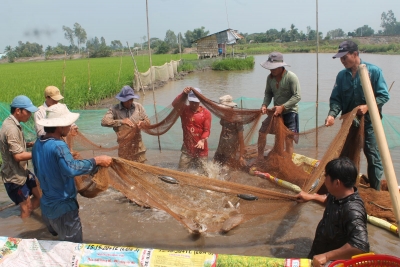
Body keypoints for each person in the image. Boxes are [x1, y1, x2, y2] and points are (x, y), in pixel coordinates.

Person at [32, 103, 112, 242]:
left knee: (58, 247)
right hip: (63, 209)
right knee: (73, 249)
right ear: (60, 126)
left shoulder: (38, 144)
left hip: (47, 207)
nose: (70, 127)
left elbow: (47, 168)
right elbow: (71, 169)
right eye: (68, 124)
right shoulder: (59, 145)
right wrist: (96, 161)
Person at [325, 41, 390, 191]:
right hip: (349, 124)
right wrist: (332, 115)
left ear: (355, 54)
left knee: (373, 157)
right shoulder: (342, 76)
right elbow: (336, 99)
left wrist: (369, 106)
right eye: (340, 58)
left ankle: (375, 191)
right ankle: (347, 190)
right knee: (347, 158)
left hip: (370, 124)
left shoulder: (374, 71)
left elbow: (384, 96)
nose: (342, 61)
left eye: (345, 57)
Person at [296, 157, 369, 267]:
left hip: (332, 263)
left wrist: (326, 256)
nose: (324, 179)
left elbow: (360, 246)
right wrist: (311, 197)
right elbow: (327, 198)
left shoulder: (353, 210)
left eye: (326, 176)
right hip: (319, 257)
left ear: (337, 183)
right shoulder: (339, 194)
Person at [0, 95, 41, 218]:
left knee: (39, 195)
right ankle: (25, 230)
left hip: (22, 171)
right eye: (28, 112)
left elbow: (14, 146)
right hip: (14, 177)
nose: (30, 115)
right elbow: (17, 156)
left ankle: (28, 217)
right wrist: (41, 152)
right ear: (18, 111)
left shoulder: (13, 123)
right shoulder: (11, 129)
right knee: (25, 207)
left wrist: (28, 145)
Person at [258, 52, 301, 160]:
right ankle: (259, 157)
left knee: (288, 138)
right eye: (270, 68)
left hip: (290, 112)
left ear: (281, 66)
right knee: (262, 132)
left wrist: (283, 107)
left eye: (274, 68)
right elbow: (268, 93)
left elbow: (297, 96)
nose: (271, 70)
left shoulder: (291, 77)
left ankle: (288, 162)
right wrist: (264, 104)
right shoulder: (270, 78)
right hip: (276, 112)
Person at [101, 85, 150, 162]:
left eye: (131, 99)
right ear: (122, 100)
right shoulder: (114, 110)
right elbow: (104, 122)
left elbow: (147, 122)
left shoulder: (138, 107)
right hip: (124, 146)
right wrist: (121, 121)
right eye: (127, 100)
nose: (130, 101)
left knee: (141, 169)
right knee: (126, 168)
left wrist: (143, 123)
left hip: (138, 146)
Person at [172, 87, 211, 173]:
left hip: (201, 149)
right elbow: (174, 104)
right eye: (191, 101)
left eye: (196, 102)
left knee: (202, 173)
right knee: (181, 171)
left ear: (200, 100)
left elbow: (207, 130)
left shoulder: (206, 113)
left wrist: (202, 140)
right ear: (188, 100)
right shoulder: (184, 110)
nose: (193, 104)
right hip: (187, 148)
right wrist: (183, 93)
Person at [213, 95, 246, 168]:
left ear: (231, 108)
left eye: (225, 109)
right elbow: (222, 132)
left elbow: (241, 139)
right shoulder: (224, 117)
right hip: (222, 147)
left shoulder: (238, 119)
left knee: (226, 169)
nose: (223, 111)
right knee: (213, 165)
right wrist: (218, 149)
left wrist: (241, 156)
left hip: (231, 150)